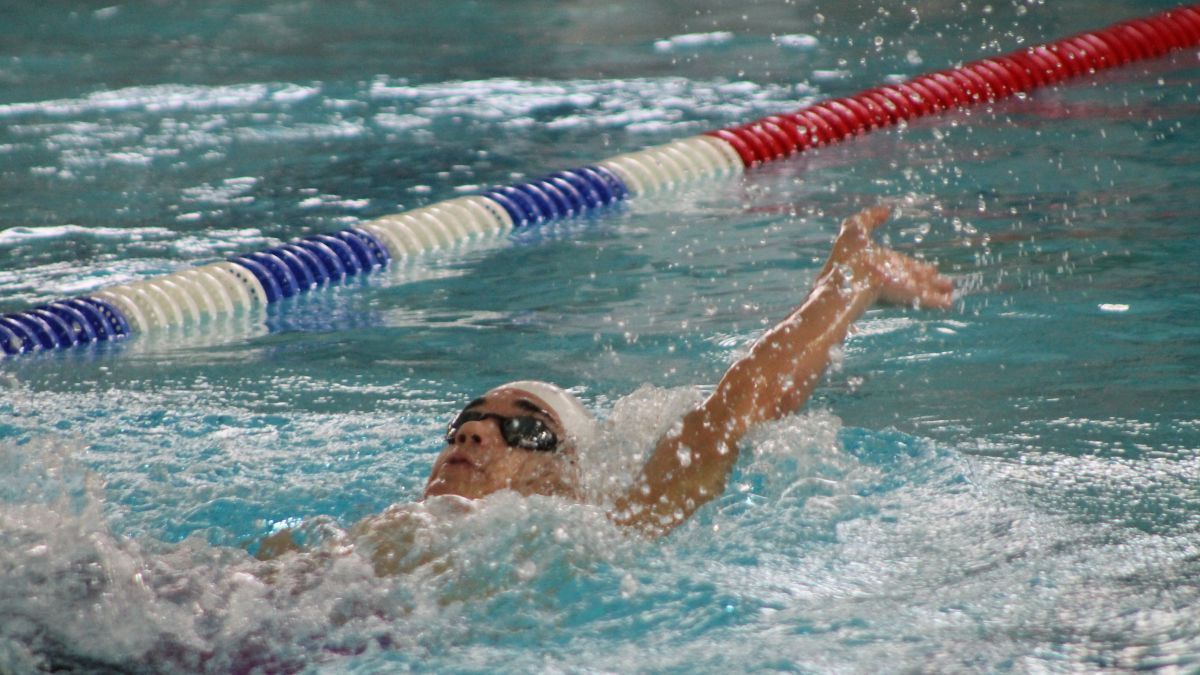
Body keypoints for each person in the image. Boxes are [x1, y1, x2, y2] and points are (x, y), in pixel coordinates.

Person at [258, 206, 953, 566]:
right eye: (468, 419)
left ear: (564, 474)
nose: (475, 431)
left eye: (523, 425)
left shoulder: (594, 532)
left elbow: (727, 414)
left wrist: (841, 290)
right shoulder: (343, 536)